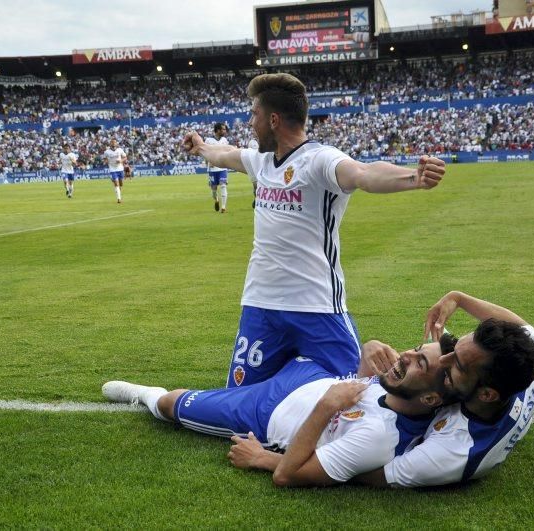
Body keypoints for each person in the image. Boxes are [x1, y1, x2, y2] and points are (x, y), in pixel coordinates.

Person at [181, 73, 446, 389]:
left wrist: (412, 180)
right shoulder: (260, 160)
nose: (251, 122)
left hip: (316, 307)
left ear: (274, 120)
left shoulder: (319, 159)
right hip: (260, 305)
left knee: (354, 395)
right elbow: (222, 155)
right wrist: (200, 147)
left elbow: (362, 173)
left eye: (254, 114)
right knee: (239, 399)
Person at [102, 334, 456, 487]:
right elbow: (358, 388)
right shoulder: (397, 383)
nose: (406, 357)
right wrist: (366, 358)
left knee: (170, 404)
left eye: (419, 362)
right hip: (311, 373)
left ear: (430, 399)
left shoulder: (382, 438)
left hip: (262, 414)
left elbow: (292, 474)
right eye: (414, 349)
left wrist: (261, 457)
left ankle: (145, 394)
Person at [353, 291, 534, 487]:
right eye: (454, 350)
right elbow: (525, 329)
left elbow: (366, 474)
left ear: (487, 394)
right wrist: (458, 298)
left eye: (458, 365)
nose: (443, 359)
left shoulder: (453, 451)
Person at [205, 123, 230, 213]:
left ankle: (223, 207)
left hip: (223, 167)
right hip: (212, 168)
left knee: (223, 185)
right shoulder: (208, 140)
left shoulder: (225, 140)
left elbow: (227, 151)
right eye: (223, 129)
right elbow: (205, 152)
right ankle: (216, 200)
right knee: (214, 190)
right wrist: (209, 161)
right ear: (218, 130)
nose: (224, 131)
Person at [103, 139, 127, 203]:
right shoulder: (107, 152)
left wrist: (121, 161)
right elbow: (104, 159)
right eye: (112, 142)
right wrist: (106, 161)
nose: (113, 143)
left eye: (114, 142)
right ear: (110, 143)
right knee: (116, 183)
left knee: (121, 183)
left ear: (116, 143)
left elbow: (125, 157)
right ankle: (119, 199)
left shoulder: (120, 150)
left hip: (120, 168)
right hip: (112, 169)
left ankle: (118, 191)